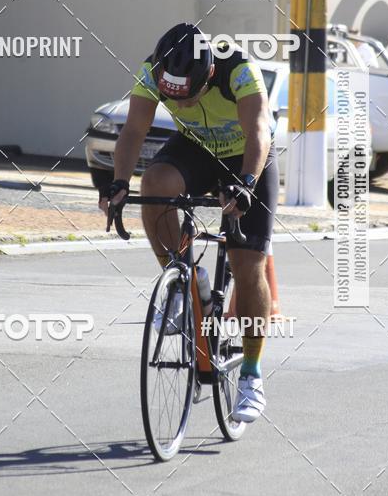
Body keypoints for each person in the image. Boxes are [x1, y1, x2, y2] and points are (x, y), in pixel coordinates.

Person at [99, 23, 278, 423]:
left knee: (249, 268)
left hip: (245, 156)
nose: (177, 107)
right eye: (171, 99)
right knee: (156, 183)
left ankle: (251, 374)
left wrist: (247, 183)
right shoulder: (153, 71)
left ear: (208, 75)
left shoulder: (238, 70)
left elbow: (258, 130)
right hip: (197, 149)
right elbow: (133, 131)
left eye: (188, 97)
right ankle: (184, 284)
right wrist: (118, 183)